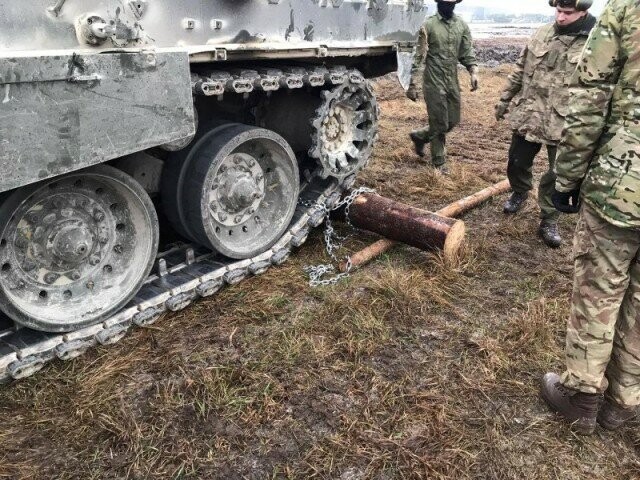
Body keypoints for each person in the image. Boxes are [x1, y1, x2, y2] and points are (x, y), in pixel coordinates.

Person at [540, 0, 640, 435]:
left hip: (624, 184)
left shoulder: (626, 10)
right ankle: (624, 402)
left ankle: (581, 396)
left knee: (600, 289)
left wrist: (567, 180)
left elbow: (589, 101)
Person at [495, 0, 596, 248]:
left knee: (557, 173)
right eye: (558, 11)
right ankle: (520, 191)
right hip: (530, 114)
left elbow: (598, 87)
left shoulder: (595, 42)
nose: (560, 17)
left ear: (583, 12)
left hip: (565, 120)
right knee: (516, 161)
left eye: (568, 13)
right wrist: (504, 98)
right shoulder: (542, 32)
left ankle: (549, 219)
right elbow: (520, 68)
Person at [407, 0, 479, 173]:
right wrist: (412, 84)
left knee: (453, 120)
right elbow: (418, 56)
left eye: (452, 2)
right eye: (445, 2)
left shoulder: (461, 25)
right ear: (438, 3)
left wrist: (473, 71)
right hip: (433, 81)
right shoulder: (428, 25)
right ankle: (439, 162)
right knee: (439, 123)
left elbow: (466, 52)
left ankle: (420, 136)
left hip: (451, 81)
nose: (449, 5)